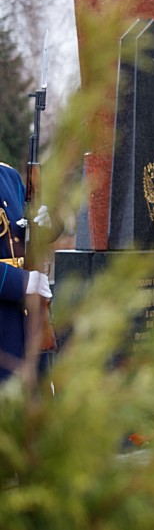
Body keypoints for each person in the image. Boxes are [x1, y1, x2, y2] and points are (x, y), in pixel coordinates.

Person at [0, 161, 52, 383]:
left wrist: (47, 221)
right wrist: (21, 281)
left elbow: (30, 232)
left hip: (24, 317)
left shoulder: (8, 175)